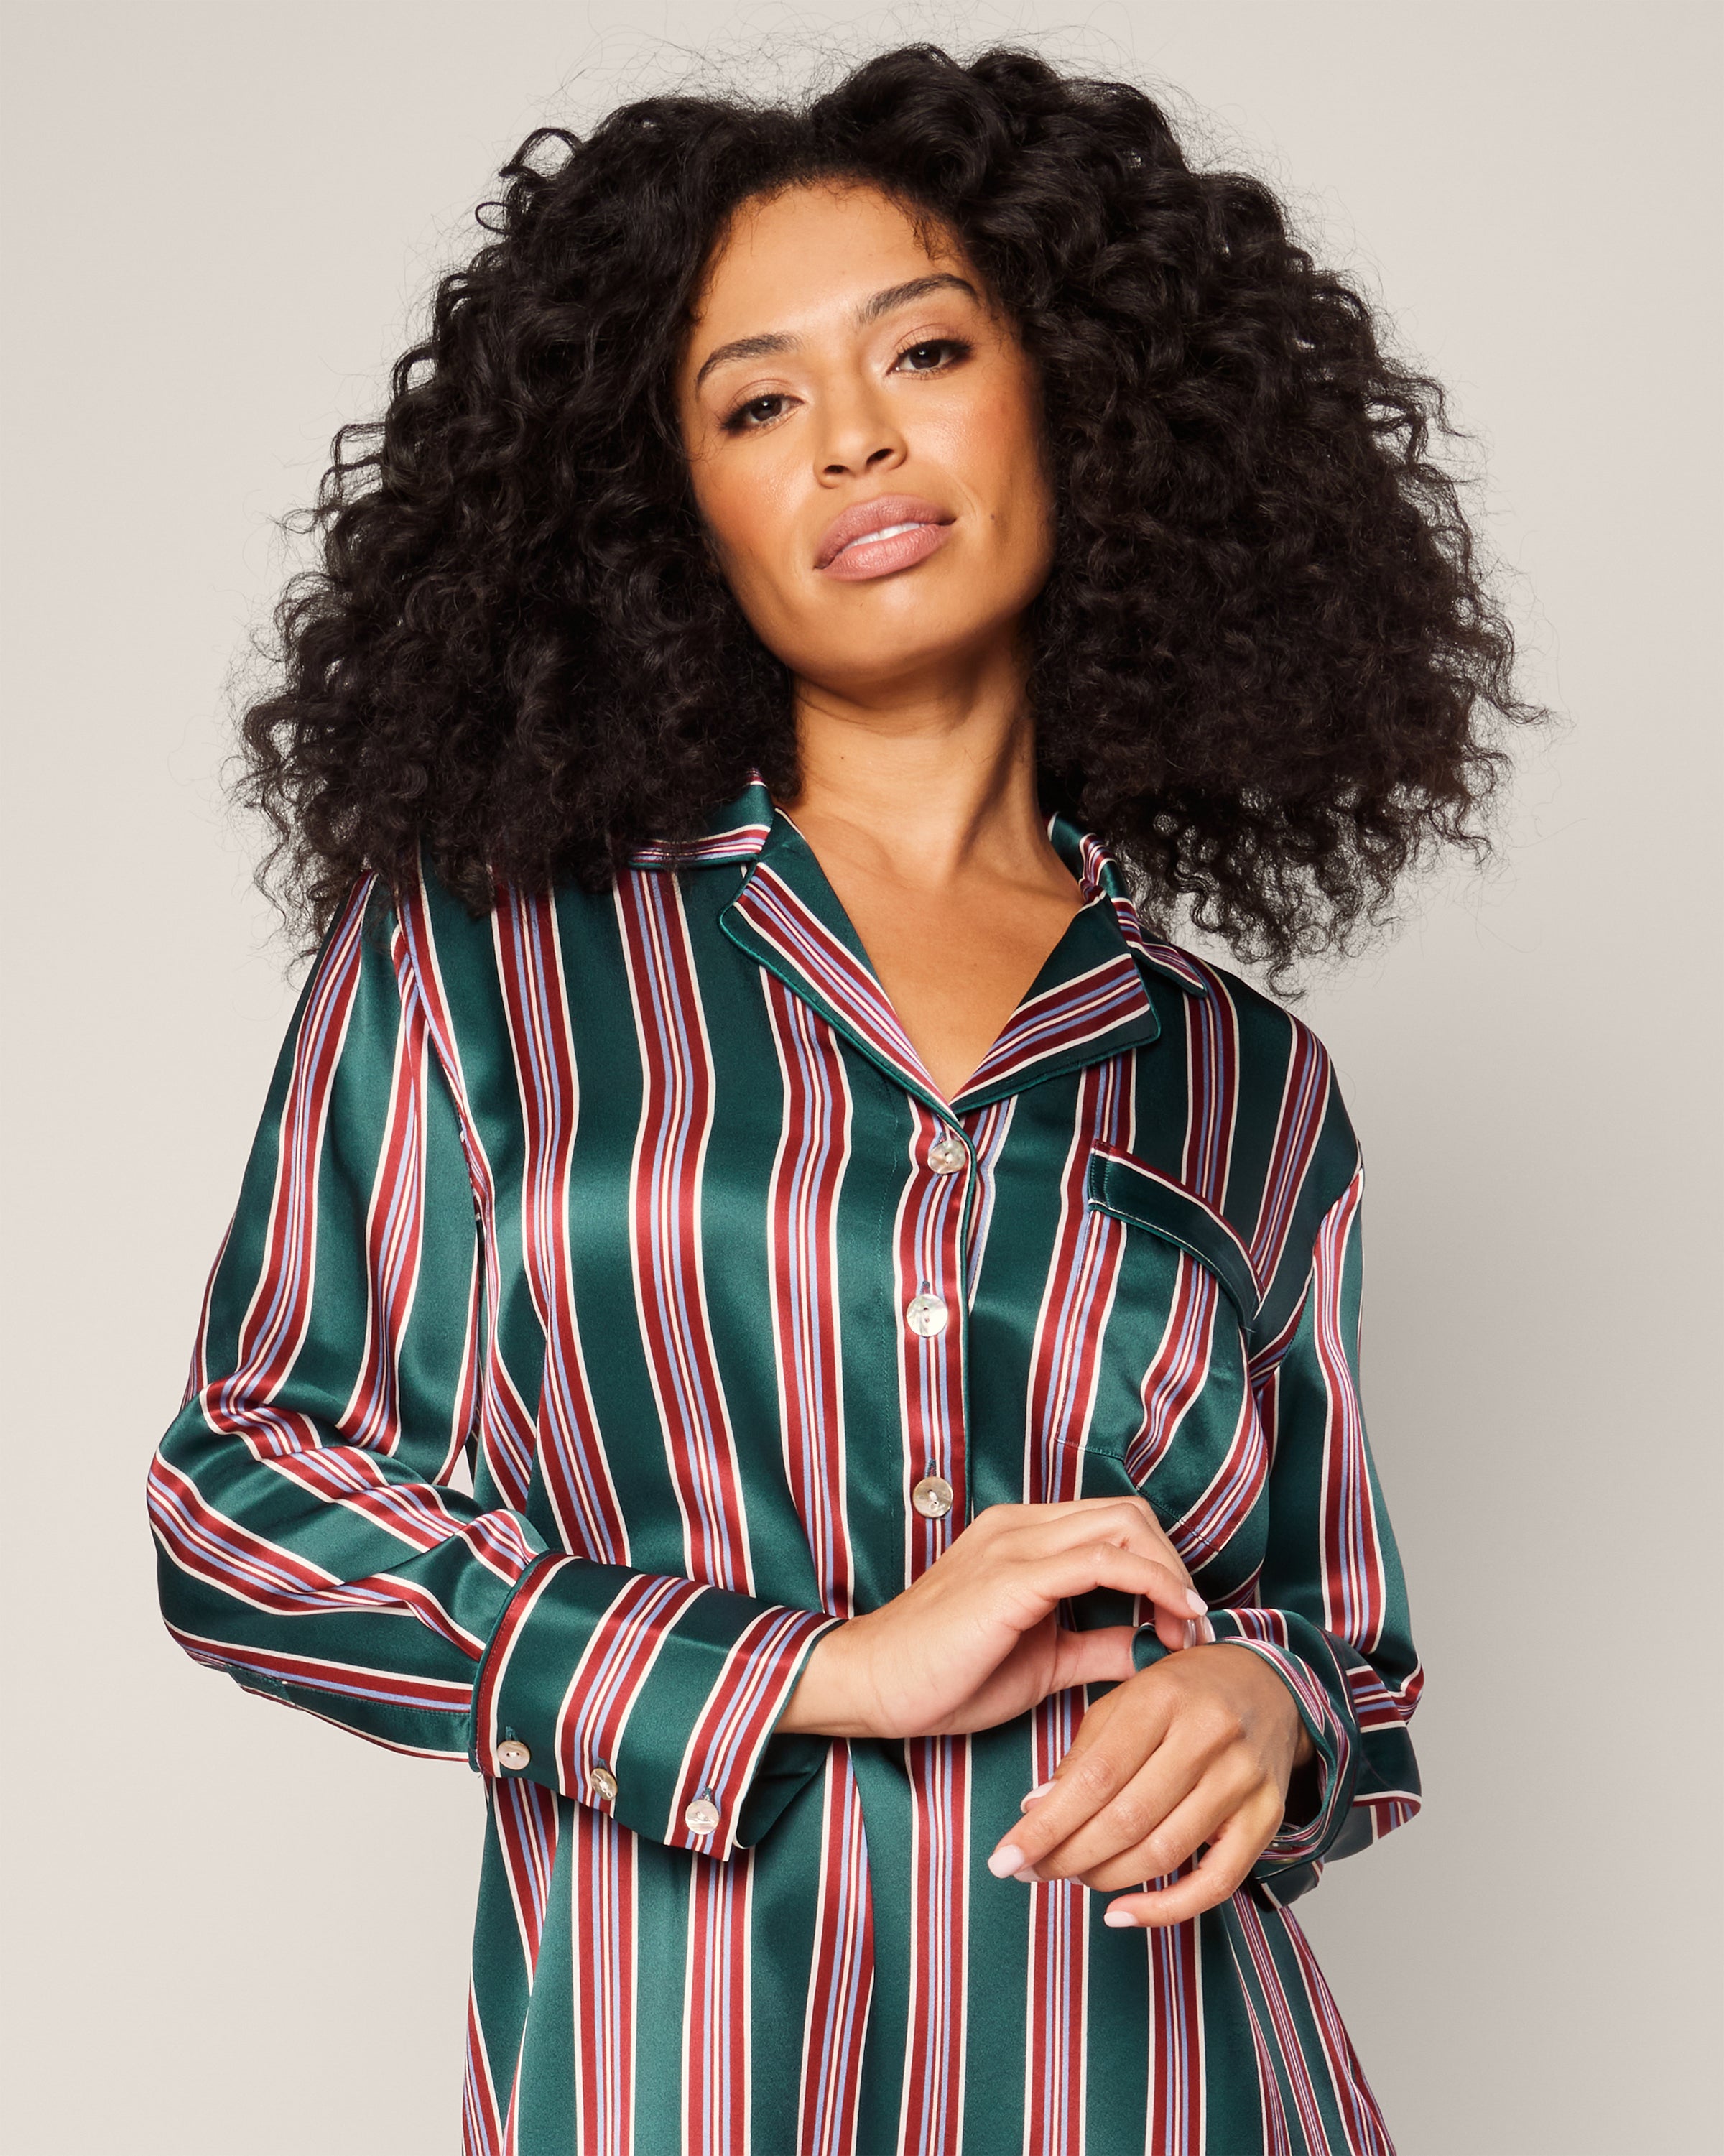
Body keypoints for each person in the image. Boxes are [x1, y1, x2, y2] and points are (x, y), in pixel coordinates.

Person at [148, 44, 1532, 2155]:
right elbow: (242, 1500)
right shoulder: (487, 953)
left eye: (927, 350)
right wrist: (803, 1670)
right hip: (677, 2077)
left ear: (1078, 397)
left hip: (1165, 2083)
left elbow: (1348, 1641)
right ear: (669, 506)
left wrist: (1272, 1706)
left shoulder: (1240, 1077)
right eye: (756, 403)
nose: (857, 436)